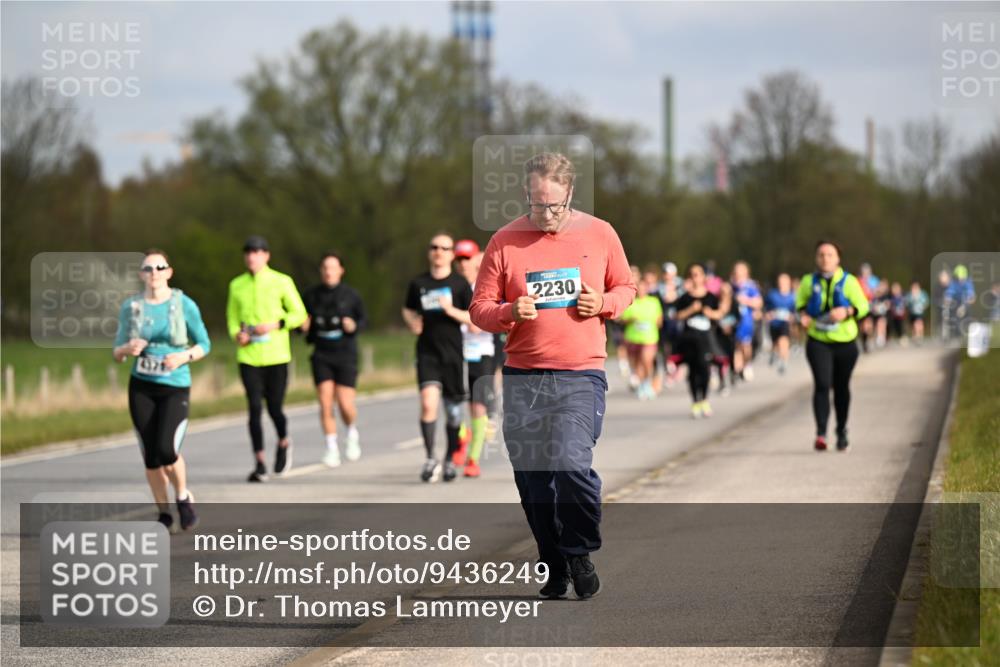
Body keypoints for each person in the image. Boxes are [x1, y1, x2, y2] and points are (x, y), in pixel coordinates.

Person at [470, 152, 635, 601]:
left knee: (568, 464)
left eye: (555, 206)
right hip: (523, 379)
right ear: (526, 195)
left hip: (580, 376)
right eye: (537, 205)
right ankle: (555, 562)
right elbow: (479, 308)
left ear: (571, 195)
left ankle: (578, 550)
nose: (546, 215)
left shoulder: (600, 234)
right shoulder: (504, 241)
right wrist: (508, 311)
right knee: (532, 481)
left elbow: (627, 288)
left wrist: (601, 303)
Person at [113, 249, 211, 530]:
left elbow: (204, 343)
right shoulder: (131, 307)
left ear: (169, 272)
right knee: (152, 456)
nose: (153, 273)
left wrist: (183, 356)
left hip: (175, 385)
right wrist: (126, 349)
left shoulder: (184, 305)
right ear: (141, 275)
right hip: (142, 386)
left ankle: (182, 497)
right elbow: (116, 352)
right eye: (147, 269)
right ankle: (164, 513)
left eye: (159, 268)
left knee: (167, 450)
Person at [226, 235, 308, 482]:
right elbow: (231, 318)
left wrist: (276, 324)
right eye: (248, 252)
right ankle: (260, 461)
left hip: (276, 355)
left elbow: (299, 314)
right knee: (253, 408)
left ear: (266, 256)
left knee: (274, 408)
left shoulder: (281, 281)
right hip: (249, 356)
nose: (252, 257)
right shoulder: (236, 285)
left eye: (257, 252)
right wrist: (236, 335)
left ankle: (283, 440)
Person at [402, 232, 473, 483]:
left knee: (454, 413)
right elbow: (408, 309)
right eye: (434, 247)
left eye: (444, 248)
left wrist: (450, 309)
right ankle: (431, 457)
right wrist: (413, 323)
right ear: (429, 252)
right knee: (428, 403)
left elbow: (474, 319)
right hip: (427, 352)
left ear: (451, 254)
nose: (439, 252)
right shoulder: (419, 283)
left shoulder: (459, 284)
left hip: (453, 354)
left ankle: (450, 460)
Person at [796, 241, 870, 452]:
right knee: (821, 384)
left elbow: (863, 306)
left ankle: (841, 429)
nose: (825, 259)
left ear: (838, 258)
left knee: (841, 388)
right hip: (818, 341)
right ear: (816, 258)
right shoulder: (808, 281)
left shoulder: (849, 281)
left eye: (830, 255)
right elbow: (799, 305)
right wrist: (802, 317)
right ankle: (821, 433)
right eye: (821, 255)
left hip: (845, 342)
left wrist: (847, 312)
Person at [301, 251, 367, 468]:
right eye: (325, 268)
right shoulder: (311, 295)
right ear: (321, 271)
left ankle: (351, 431)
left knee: (345, 403)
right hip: (321, 353)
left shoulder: (351, 295)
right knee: (325, 401)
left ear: (341, 270)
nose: (329, 272)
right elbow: (300, 324)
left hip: (345, 353)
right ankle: (331, 447)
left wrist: (353, 326)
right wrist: (303, 327)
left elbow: (363, 320)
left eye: (333, 268)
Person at [452, 239, 494, 478]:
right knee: (456, 402)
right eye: (459, 259)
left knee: (478, 404)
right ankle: (461, 435)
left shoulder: (485, 284)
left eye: (466, 259)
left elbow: (484, 320)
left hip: (481, 351)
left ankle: (473, 458)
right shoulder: (451, 285)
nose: (462, 264)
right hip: (455, 352)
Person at [674, 264, 726, 417]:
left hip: (706, 339)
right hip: (689, 338)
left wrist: (711, 313)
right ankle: (695, 401)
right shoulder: (685, 297)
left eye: (698, 274)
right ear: (689, 278)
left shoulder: (710, 297)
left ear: (704, 277)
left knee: (705, 369)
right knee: (692, 370)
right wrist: (691, 309)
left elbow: (719, 314)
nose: (696, 277)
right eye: (692, 275)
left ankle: (704, 399)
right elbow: (677, 316)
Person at [620, 270, 663, 400]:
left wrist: (654, 323)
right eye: (639, 288)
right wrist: (631, 319)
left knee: (647, 361)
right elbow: (623, 319)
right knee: (637, 364)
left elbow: (659, 320)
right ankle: (642, 386)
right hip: (633, 337)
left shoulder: (654, 301)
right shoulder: (631, 302)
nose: (642, 290)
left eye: (644, 287)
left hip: (649, 338)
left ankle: (647, 384)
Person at [730, 261, 763, 381]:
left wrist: (745, 300)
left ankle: (747, 364)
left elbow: (758, 302)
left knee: (745, 344)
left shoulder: (750, 286)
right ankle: (737, 369)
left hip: (746, 320)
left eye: (740, 270)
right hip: (734, 320)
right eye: (736, 270)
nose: (737, 273)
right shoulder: (731, 286)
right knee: (736, 345)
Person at [765, 273, 796, 374]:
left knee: (784, 341)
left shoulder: (793, 296)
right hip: (774, 323)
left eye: (784, 281)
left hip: (785, 323)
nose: (782, 284)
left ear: (789, 282)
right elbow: (765, 308)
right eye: (780, 281)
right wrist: (768, 314)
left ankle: (783, 362)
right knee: (775, 343)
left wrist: (792, 317)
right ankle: (774, 353)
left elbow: (796, 311)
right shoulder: (772, 295)